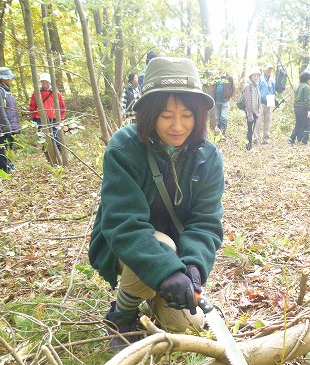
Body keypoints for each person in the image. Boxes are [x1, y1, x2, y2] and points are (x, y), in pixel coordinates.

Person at [88, 57, 224, 346]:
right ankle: (122, 315)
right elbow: (124, 225)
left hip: (177, 258)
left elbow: (205, 223)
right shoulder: (124, 149)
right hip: (126, 249)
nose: (177, 126)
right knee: (162, 244)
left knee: (189, 326)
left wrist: (192, 269)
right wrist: (166, 270)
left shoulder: (209, 157)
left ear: (198, 115)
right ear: (149, 114)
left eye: (187, 115)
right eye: (166, 115)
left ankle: (154, 293)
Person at [0, 67, 20, 174]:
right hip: (4, 124)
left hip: (9, 122)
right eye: (8, 77)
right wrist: (6, 126)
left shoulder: (4, 88)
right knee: (3, 145)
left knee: (9, 145)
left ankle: (9, 166)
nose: (11, 79)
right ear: (2, 78)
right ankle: (4, 168)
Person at [29, 72, 66, 151]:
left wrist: (61, 118)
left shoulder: (56, 93)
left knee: (56, 138)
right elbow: (33, 105)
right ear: (41, 82)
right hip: (40, 119)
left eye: (47, 83)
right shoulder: (37, 92)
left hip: (54, 119)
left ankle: (61, 154)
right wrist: (34, 117)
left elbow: (62, 107)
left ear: (50, 82)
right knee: (44, 138)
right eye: (43, 83)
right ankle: (49, 158)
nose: (45, 85)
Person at [254, 63, 276, 145]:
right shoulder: (260, 78)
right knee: (257, 121)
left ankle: (265, 139)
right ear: (264, 69)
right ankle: (255, 138)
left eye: (270, 69)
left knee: (268, 121)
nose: (269, 71)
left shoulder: (273, 80)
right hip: (260, 102)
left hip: (270, 102)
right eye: (268, 69)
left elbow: (274, 90)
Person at [207, 72, 235, 137]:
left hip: (225, 101)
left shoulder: (229, 78)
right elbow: (213, 88)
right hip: (216, 101)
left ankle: (223, 134)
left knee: (223, 118)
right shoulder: (215, 77)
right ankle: (218, 133)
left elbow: (233, 88)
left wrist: (228, 96)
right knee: (217, 118)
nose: (220, 69)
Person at [289, 71, 310, 145]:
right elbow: (307, 99)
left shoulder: (299, 86)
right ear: (307, 80)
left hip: (297, 107)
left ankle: (291, 139)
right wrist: (309, 110)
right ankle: (305, 141)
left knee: (298, 124)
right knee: (307, 124)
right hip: (303, 108)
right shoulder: (306, 87)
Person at [243, 67, 261, 150]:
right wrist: (249, 114)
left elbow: (257, 98)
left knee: (252, 130)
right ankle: (248, 147)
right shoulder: (248, 86)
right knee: (250, 130)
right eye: (254, 75)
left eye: (257, 75)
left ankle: (249, 146)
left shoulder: (255, 85)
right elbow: (248, 101)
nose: (256, 77)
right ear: (251, 76)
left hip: (255, 111)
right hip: (250, 112)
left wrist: (258, 110)